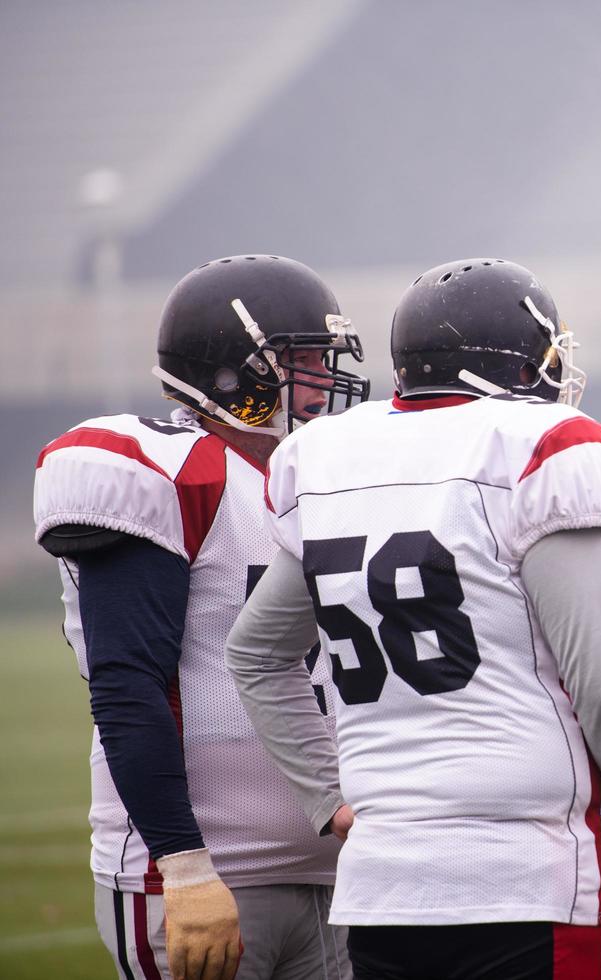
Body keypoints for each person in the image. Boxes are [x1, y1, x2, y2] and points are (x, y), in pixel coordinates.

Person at [224, 257, 601, 980]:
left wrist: (326, 797)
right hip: (524, 876)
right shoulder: (531, 448)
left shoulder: (331, 454)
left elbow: (254, 653)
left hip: (381, 884)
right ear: (522, 367)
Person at [33, 255, 370, 980]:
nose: (322, 382)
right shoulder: (169, 468)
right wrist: (183, 868)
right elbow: (128, 686)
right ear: (230, 372)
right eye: (302, 362)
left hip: (338, 875)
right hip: (208, 877)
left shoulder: (319, 476)